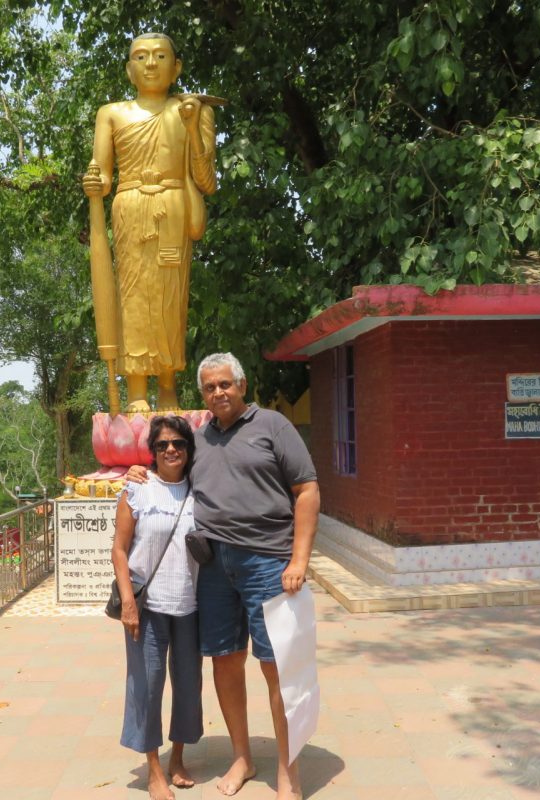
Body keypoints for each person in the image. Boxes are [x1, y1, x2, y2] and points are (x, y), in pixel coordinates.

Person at [129, 353, 320, 800]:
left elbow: (307, 490)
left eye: (225, 384)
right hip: (213, 566)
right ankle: (242, 756)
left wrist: (299, 560)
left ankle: (288, 769)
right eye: (210, 387)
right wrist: (137, 471)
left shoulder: (273, 426)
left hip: (268, 563)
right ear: (203, 395)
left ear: (242, 384)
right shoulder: (199, 440)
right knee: (225, 660)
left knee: (277, 665)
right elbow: (169, 471)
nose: (219, 392)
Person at [83, 32, 218, 412]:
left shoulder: (194, 110)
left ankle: (168, 386)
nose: (151, 63)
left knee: (170, 298)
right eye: (141, 57)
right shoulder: (111, 114)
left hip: (173, 208)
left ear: (177, 67)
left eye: (161, 56)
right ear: (129, 70)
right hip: (129, 208)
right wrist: (95, 183)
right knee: (133, 298)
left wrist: (192, 127)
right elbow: (104, 176)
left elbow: (206, 180)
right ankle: (137, 390)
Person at [112, 415, 204, 800]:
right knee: (147, 687)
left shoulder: (201, 491)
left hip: (190, 605)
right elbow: (119, 549)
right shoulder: (137, 489)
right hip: (146, 607)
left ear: (188, 449)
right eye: (163, 444)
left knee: (187, 685)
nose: (171, 450)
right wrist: (128, 605)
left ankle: (177, 757)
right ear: (152, 451)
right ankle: (153, 768)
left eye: (179, 443)